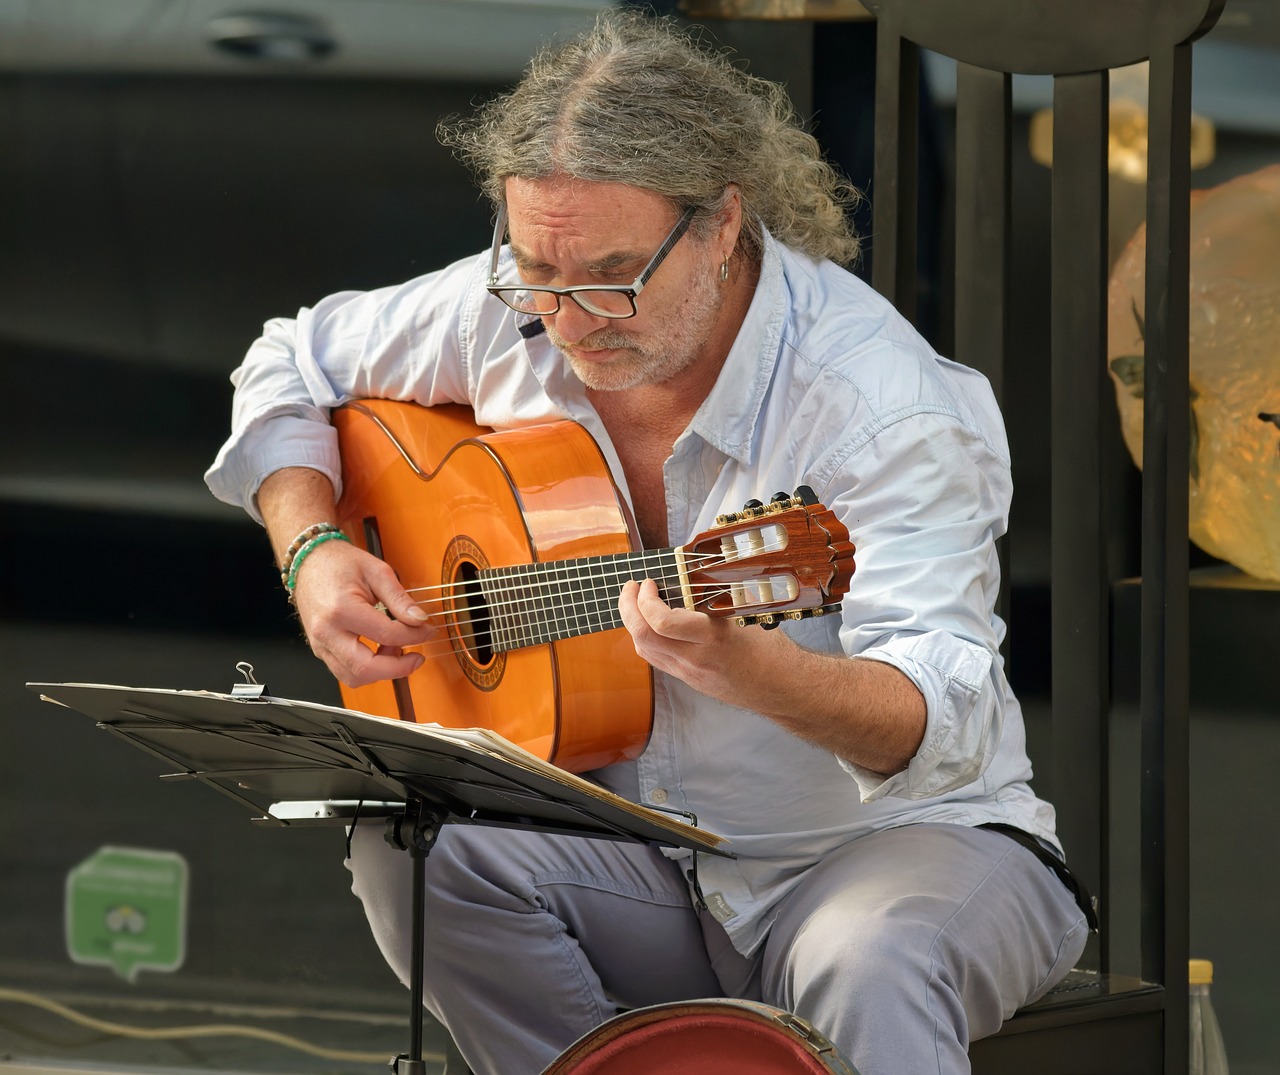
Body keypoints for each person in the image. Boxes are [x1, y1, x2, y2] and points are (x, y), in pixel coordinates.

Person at [206, 10, 1090, 1074]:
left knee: (869, 959)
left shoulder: (882, 407)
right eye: (537, 269)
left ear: (722, 224)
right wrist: (311, 549)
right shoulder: (519, 304)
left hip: (888, 852)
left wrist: (761, 674)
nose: (571, 320)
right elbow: (290, 360)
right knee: (418, 854)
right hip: (643, 861)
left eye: (613, 274)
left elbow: (939, 723)